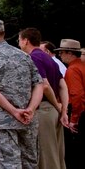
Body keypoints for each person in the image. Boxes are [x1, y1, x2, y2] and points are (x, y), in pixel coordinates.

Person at [0, 20, 44, 169]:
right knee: (29, 164)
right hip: (28, 121)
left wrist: (14, 112)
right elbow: (39, 84)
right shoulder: (24, 56)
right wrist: (31, 109)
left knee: (7, 165)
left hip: (3, 123)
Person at [19, 28, 68, 169]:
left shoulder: (33, 58)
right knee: (57, 154)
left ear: (26, 40)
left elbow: (44, 85)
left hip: (44, 110)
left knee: (46, 156)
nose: (19, 44)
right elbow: (62, 85)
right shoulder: (49, 58)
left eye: (19, 40)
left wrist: (57, 105)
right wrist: (63, 110)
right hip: (53, 111)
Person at [54, 39, 85, 169]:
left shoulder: (73, 69)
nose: (59, 55)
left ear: (70, 53)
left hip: (78, 113)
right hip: (81, 111)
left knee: (74, 153)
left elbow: (77, 95)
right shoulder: (82, 66)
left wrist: (74, 119)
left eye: (61, 52)